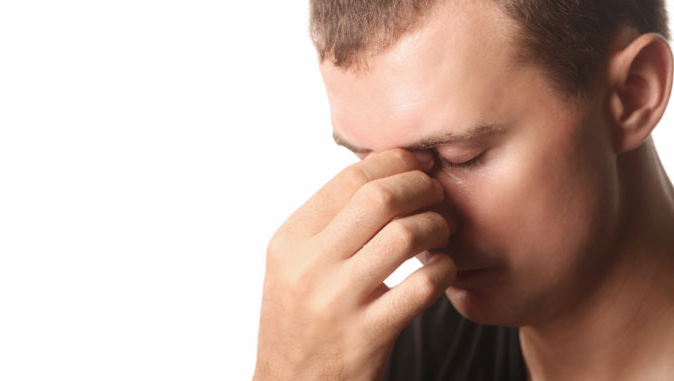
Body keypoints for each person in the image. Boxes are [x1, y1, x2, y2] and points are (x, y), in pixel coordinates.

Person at [254, 0, 674, 380]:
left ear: (635, 93)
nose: (412, 224)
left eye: (461, 157)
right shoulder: (376, 359)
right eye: (370, 165)